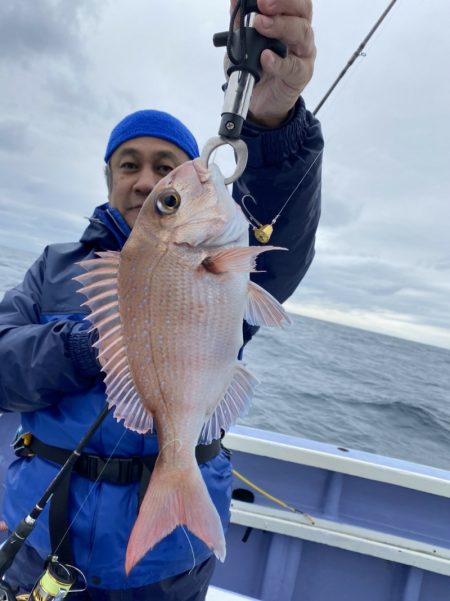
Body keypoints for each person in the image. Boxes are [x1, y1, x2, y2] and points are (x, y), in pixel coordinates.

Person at [0, 0, 322, 599]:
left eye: (167, 168)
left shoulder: (224, 257)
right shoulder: (54, 270)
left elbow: (285, 249)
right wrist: (86, 343)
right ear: (109, 179)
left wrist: (273, 122)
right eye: (130, 166)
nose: (148, 182)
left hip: (168, 571)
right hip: (38, 551)